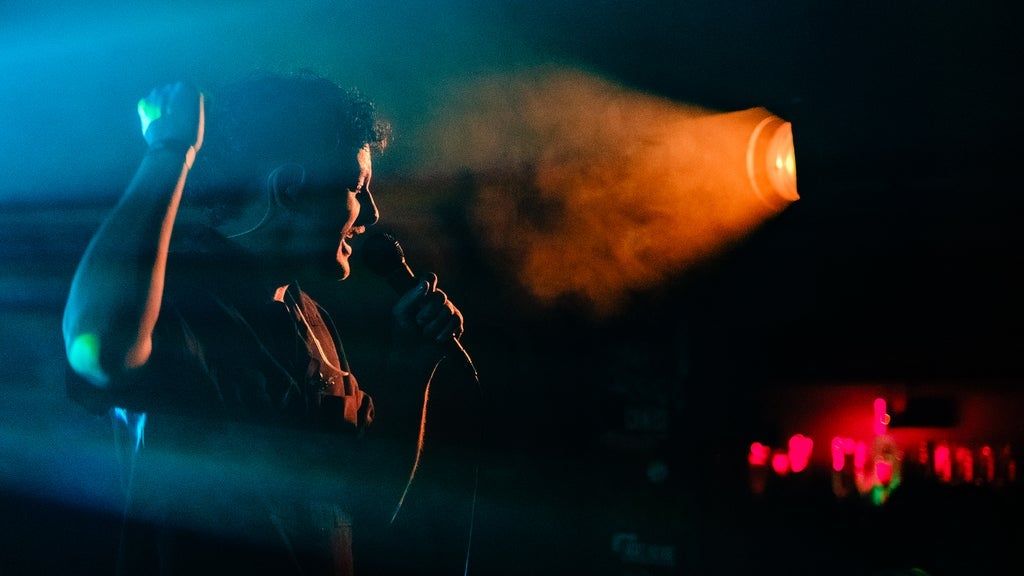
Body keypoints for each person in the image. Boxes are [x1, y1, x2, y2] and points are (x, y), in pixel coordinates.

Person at [62, 74, 478, 575]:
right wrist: (169, 151)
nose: (371, 213)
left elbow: (363, 503)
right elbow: (100, 347)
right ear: (289, 189)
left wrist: (413, 367)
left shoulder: (314, 322)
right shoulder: (172, 296)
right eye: (357, 188)